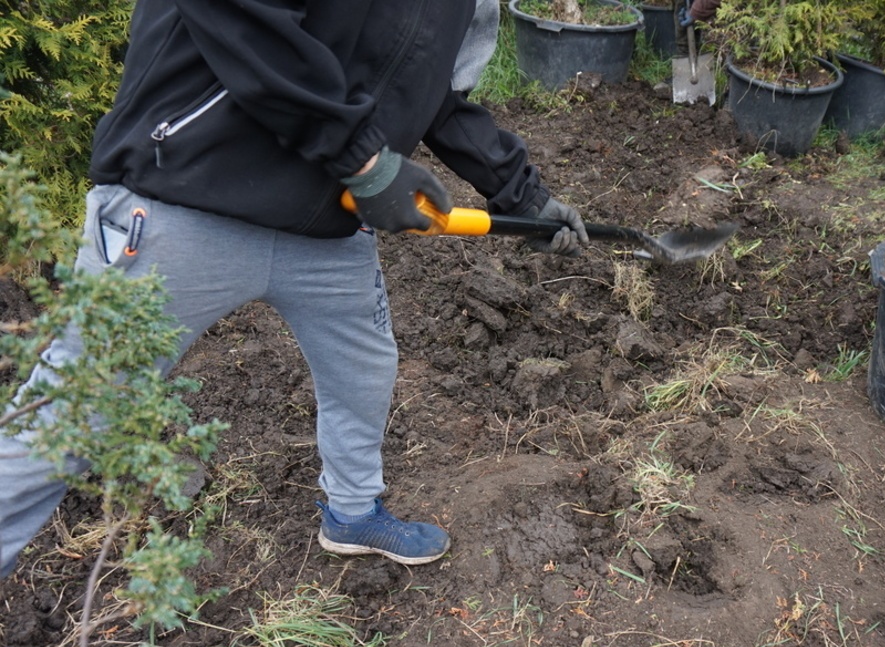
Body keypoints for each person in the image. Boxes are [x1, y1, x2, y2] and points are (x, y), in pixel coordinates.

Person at [0, 0, 590, 577]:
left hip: (329, 224)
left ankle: (353, 513)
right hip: (185, 203)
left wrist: (523, 196)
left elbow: (431, 91)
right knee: (78, 411)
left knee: (362, 372)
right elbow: (242, 18)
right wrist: (365, 162)